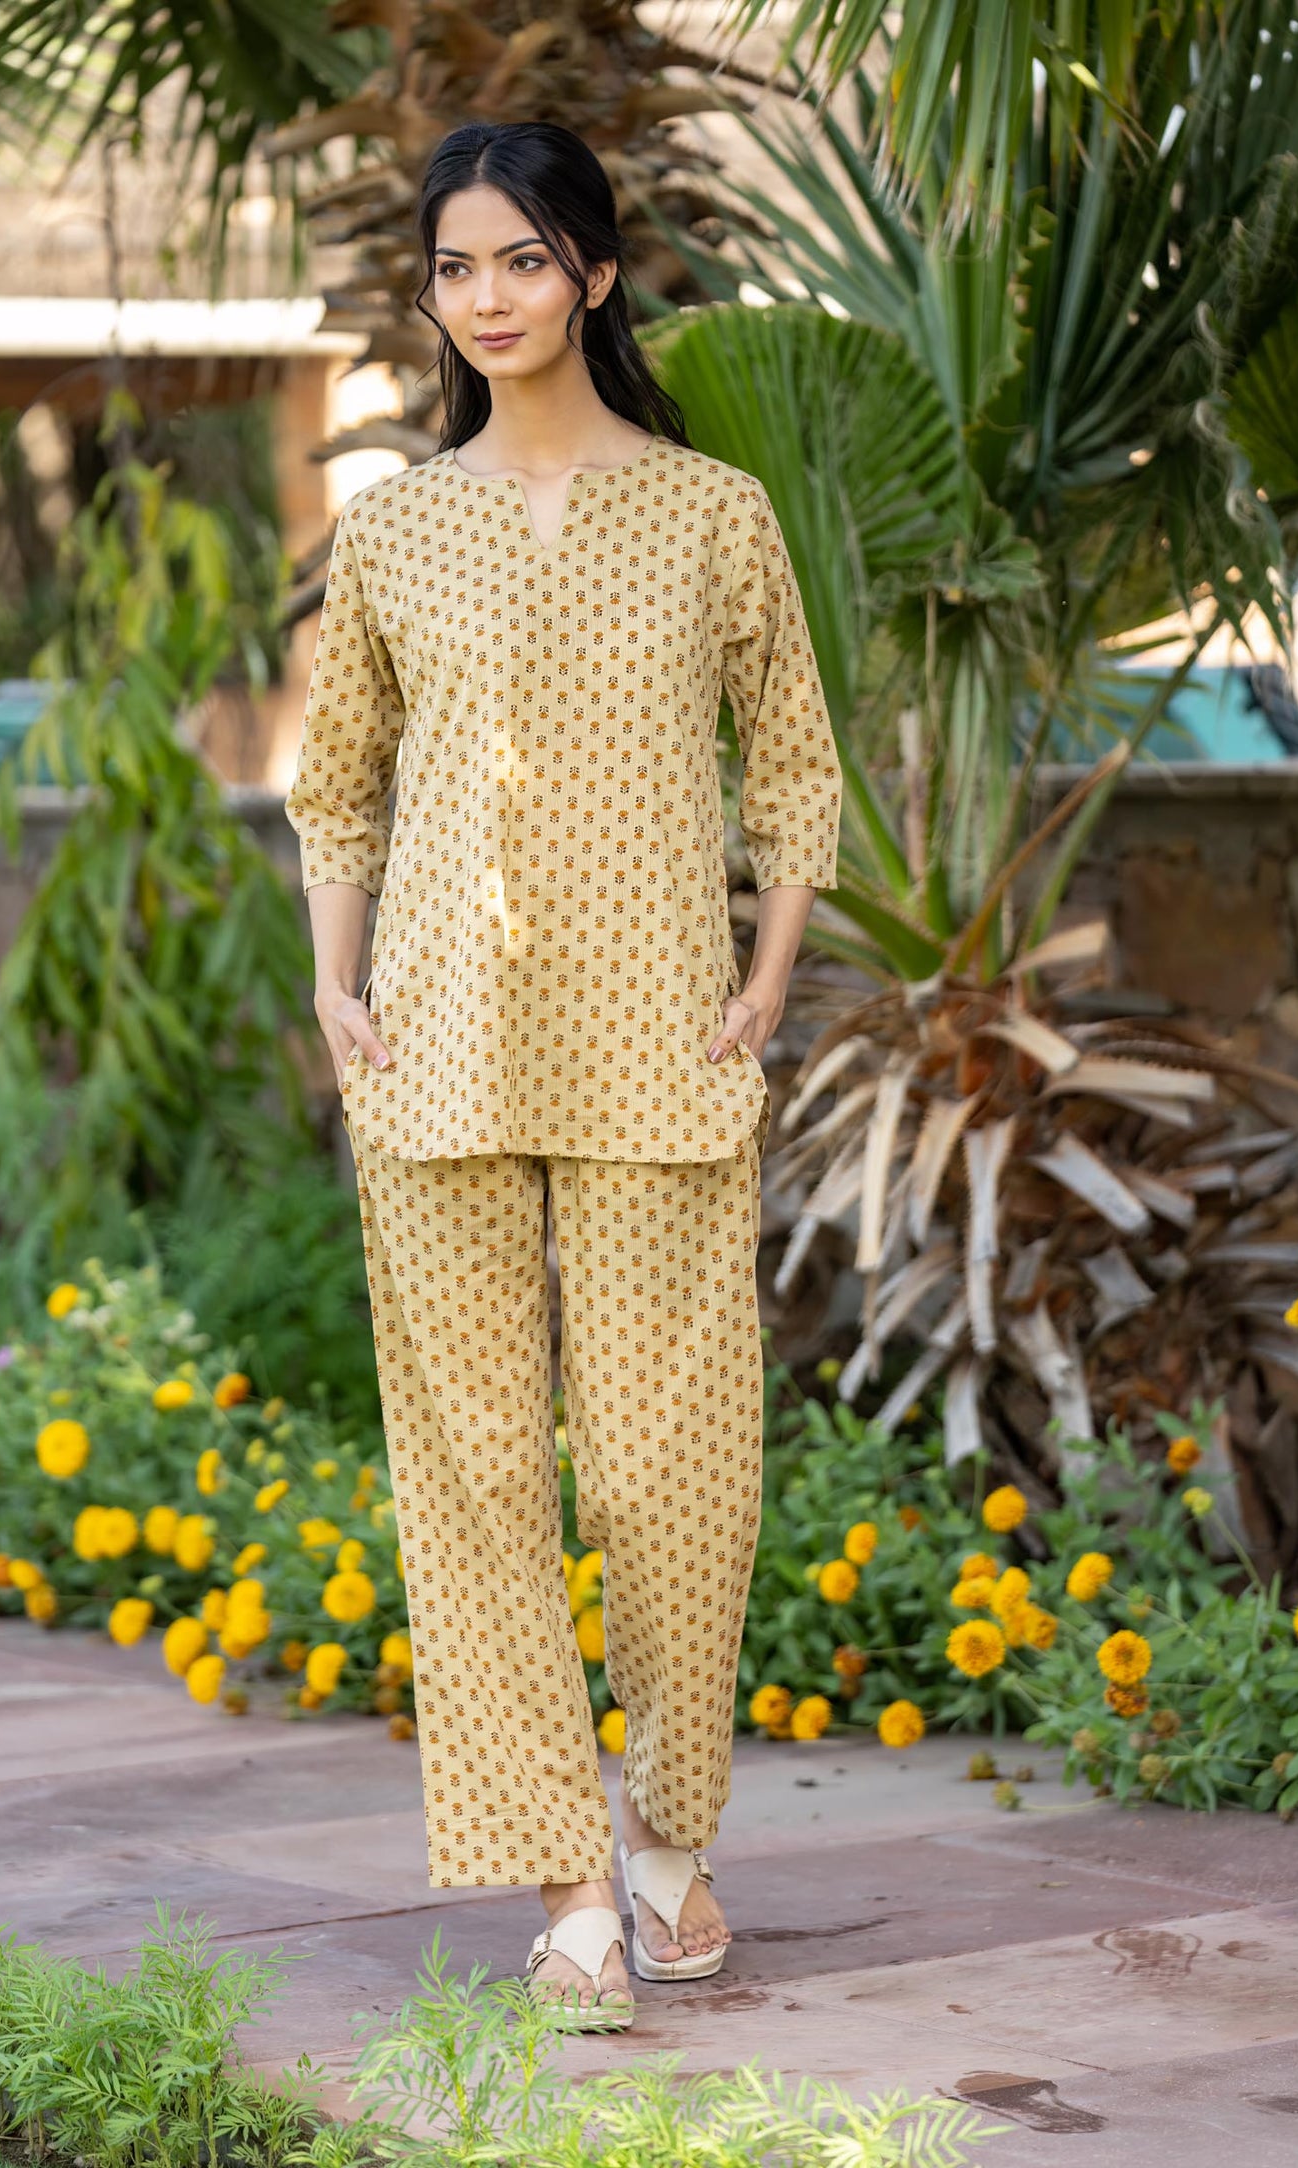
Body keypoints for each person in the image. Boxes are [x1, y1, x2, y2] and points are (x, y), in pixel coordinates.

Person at [285, 118, 842, 2030]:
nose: (488, 297)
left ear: (594, 275)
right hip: (432, 1049)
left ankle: (672, 1841)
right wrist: (336, 987)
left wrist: (765, 972)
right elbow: (337, 785)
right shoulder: (394, 528)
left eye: (523, 259)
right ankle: (568, 1889)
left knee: (673, 1470)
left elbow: (791, 758)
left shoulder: (709, 513)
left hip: (662, 1046)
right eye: (456, 268)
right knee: (471, 1482)